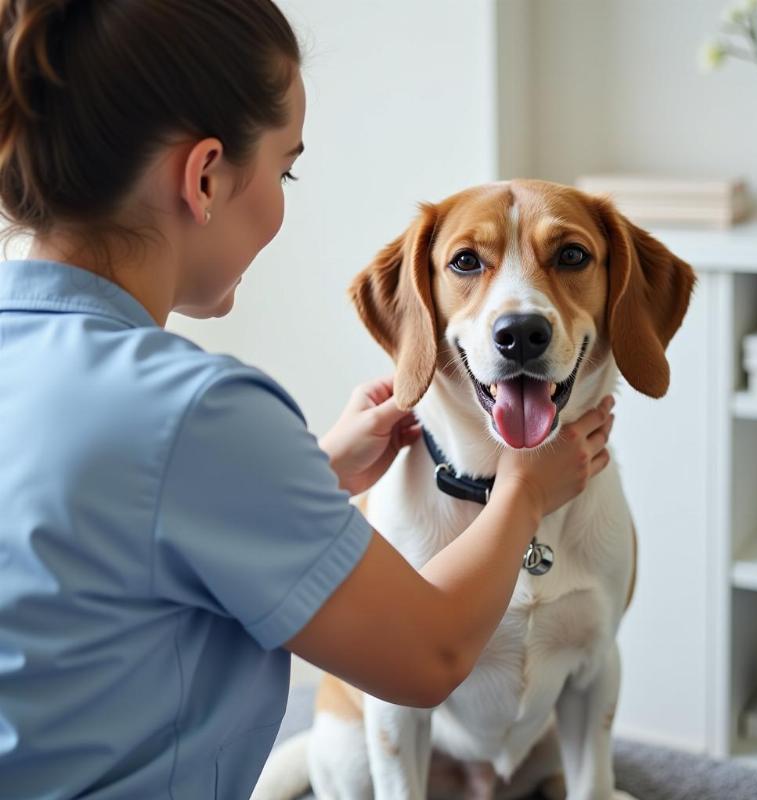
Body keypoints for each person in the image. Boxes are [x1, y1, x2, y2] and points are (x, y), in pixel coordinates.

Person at [0, 1, 614, 798]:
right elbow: (425, 659)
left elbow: (104, 534)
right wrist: (527, 490)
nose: (285, 198)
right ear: (206, 176)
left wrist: (312, 471)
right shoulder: (200, 413)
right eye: (286, 168)